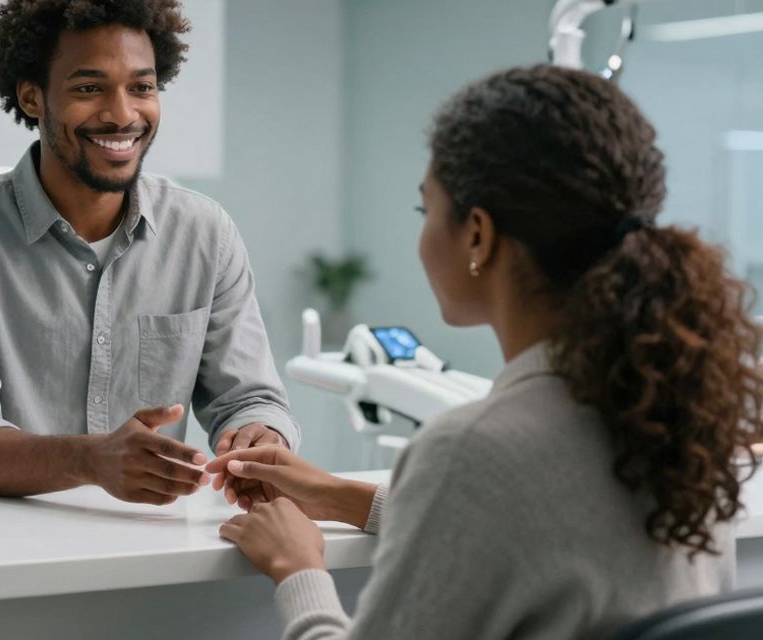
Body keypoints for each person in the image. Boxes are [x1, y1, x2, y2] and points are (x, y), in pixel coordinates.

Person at [208, 64, 763, 638]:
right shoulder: (678, 424)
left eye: (426, 210)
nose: (422, 237)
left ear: (478, 234)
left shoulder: (472, 450)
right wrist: (336, 495)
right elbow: (543, 524)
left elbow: (502, 492)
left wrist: (297, 567)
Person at [0, 0, 299, 502]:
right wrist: (92, 461)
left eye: (142, 87)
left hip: (139, 545)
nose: (122, 115)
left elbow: (250, 398)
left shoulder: (205, 233)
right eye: (90, 89)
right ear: (32, 96)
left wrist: (259, 433)